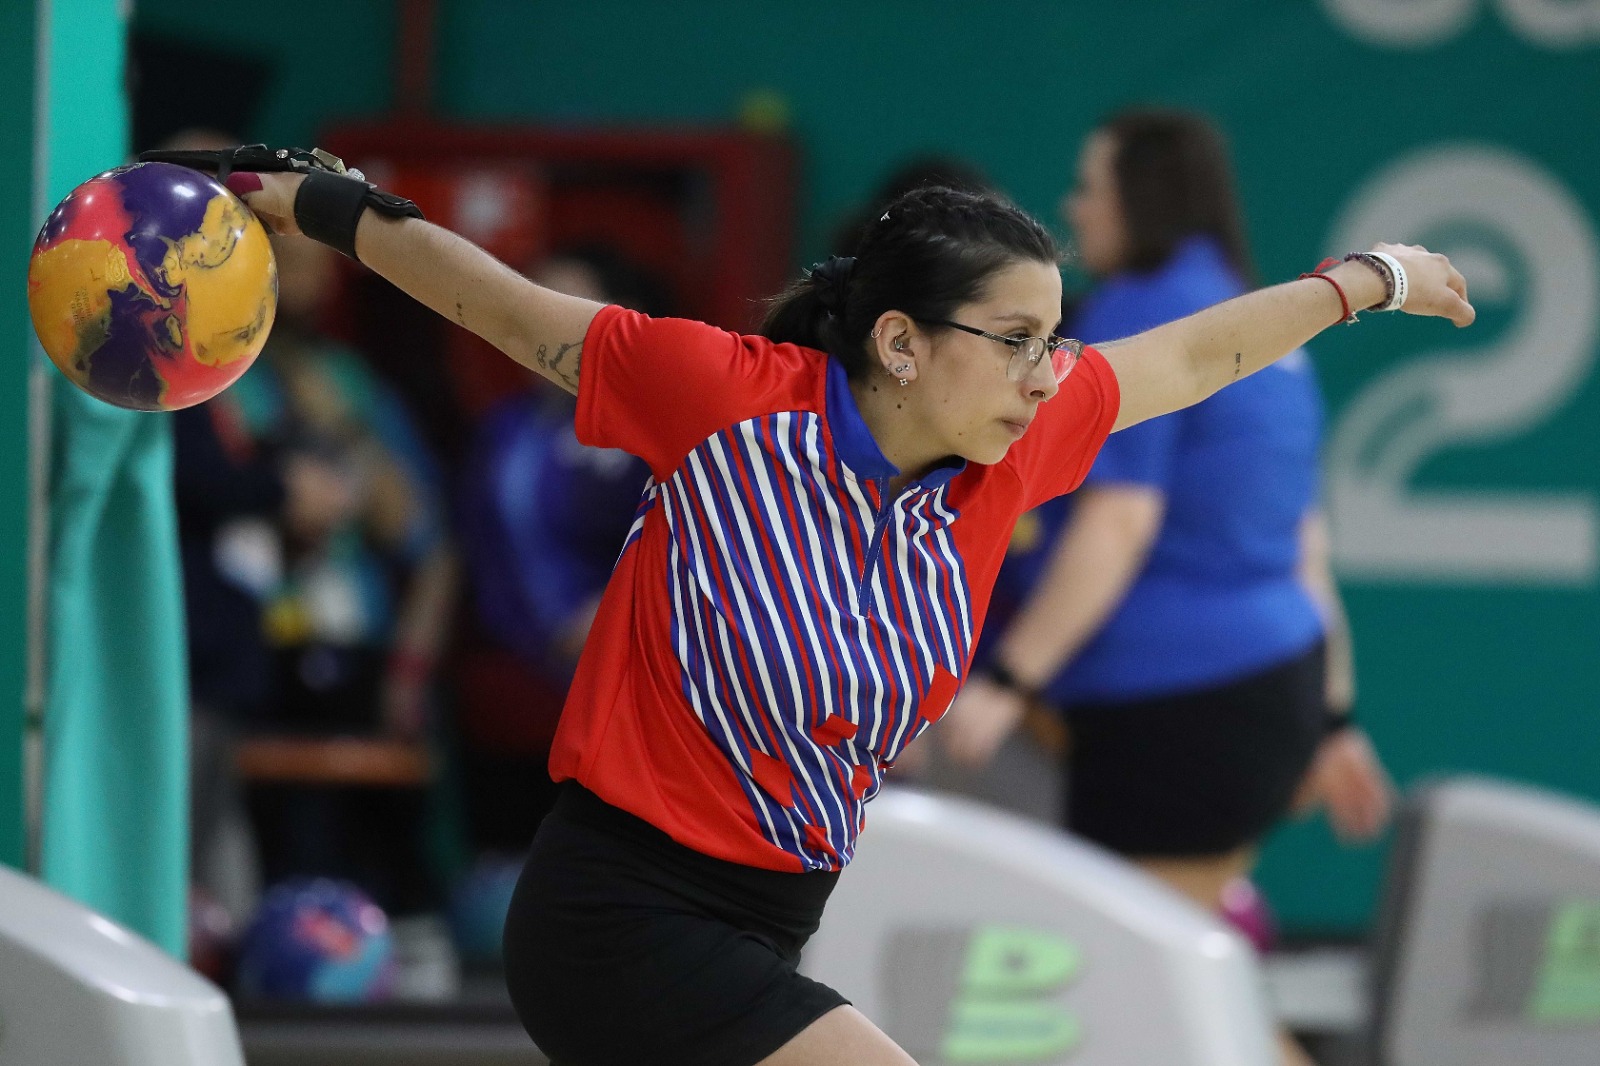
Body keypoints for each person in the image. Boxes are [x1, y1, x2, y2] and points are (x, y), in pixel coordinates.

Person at [181, 144, 1470, 1066]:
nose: (1047, 370)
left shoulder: (1009, 453)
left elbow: (1191, 355)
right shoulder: (724, 394)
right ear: (903, 342)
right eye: (1014, 338)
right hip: (619, 911)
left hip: (771, 919)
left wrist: (1367, 279)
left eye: (1055, 338)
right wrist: (329, 205)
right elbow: (499, 308)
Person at [934, 110, 1394, 1065]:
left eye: (1088, 187)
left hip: (1184, 716)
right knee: (1177, 989)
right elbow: (1305, 550)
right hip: (1264, 696)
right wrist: (1335, 717)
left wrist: (1008, 681)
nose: (1072, 208)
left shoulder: (1140, 313)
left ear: (1141, 197)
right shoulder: (1255, 319)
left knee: (1157, 995)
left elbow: (1120, 522)